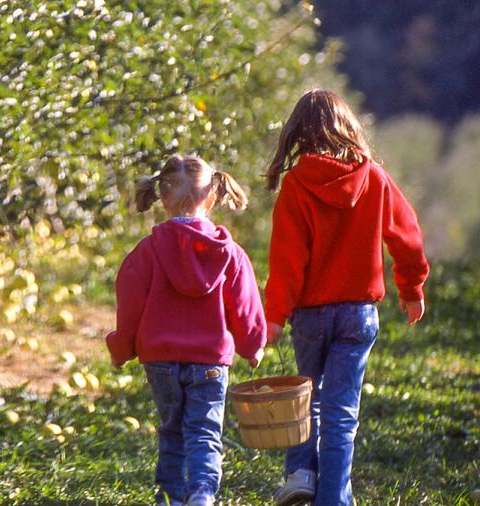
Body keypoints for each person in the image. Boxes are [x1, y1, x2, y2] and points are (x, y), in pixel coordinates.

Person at [264, 90, 430, 506]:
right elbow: (406, 236)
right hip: (358, 315)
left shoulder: (297, 185)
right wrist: (411, 288)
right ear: (349, 128)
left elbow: (288, 260)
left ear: (299, 133)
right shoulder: (374, 177)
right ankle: (333, 498)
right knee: (341, 413)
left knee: (308, 398)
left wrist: (274, 317)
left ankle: (302, 474)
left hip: (310, 316)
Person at [106, 154, 267, 506]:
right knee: (204, 431)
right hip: (210, 360)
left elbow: (130, 306)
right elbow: (245, 305)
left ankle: (171, 496)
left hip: (160, 361)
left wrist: (121, 350)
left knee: (172, 430)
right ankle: (202, 493)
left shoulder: (146, 253)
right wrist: (253, 345)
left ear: (161, 199)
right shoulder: (231, 254)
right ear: (212, 196)